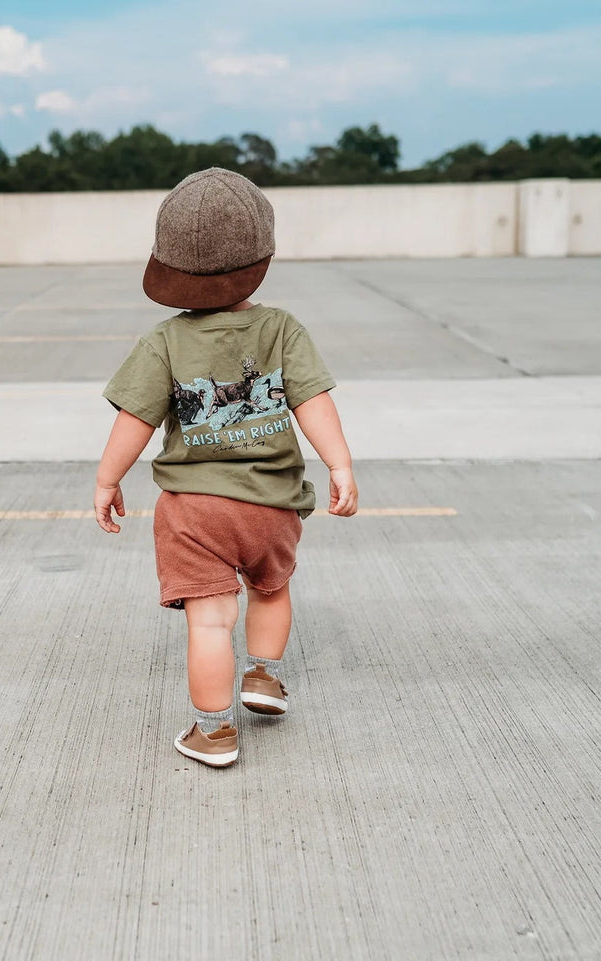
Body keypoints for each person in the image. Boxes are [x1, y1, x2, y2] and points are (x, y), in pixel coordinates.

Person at [94, 167, 358, 769]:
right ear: (261, 257)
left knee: (210, 622)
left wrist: (109, 480)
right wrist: (339, 464)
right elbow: (314, 401)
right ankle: (263, 677)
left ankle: (213, 732)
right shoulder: (282, 328)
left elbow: (133, 421)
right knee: (271, 588)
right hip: (273, 505)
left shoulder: (164, 341)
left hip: (194, 512)